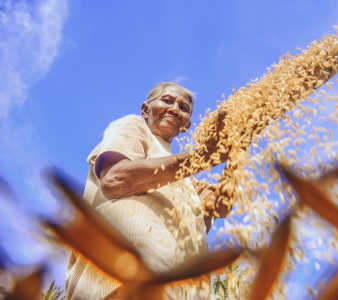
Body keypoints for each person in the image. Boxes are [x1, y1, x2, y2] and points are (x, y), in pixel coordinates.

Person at [65, 82, 231, 300]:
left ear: (187, 124)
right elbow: (115, 179)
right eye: (167, 101)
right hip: (121, 277)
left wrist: (238, 146)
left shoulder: (185, 181)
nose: (175, 109)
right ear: (145, 110)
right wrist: (205, 156)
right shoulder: (134, 126)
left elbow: (219, 206)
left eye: (183, 107)